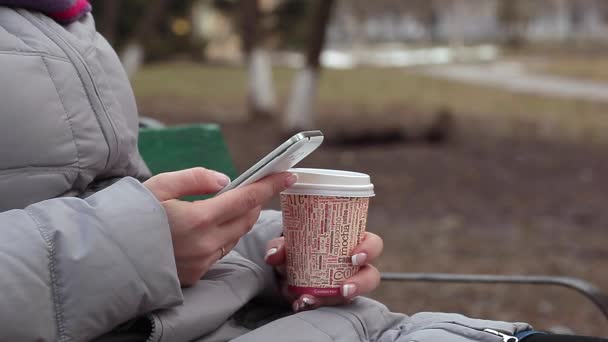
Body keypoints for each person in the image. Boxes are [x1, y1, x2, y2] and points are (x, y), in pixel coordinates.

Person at [0, 1, 605, 341]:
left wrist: (262, 243)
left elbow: (105, 197)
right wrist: (133, 246)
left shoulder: (61, 17)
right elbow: (113, 227)